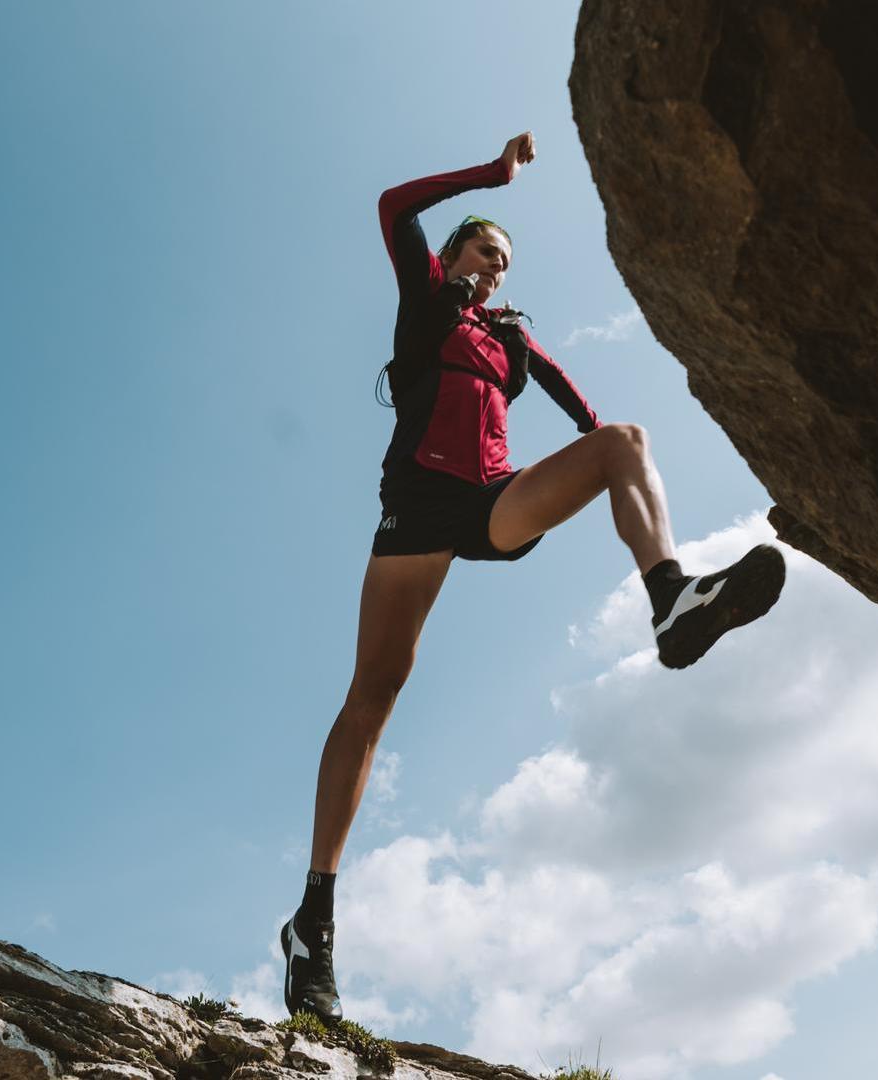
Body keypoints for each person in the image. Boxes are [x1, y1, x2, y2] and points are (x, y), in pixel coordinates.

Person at [279, 132, 785, 1022]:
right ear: (454, 254)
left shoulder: (508, 341)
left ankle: (670, 599)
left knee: (624, 439)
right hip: (417, 510)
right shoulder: (425, 298)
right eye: (484, 250)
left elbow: (579, 409)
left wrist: (599, 457)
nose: (495, 269)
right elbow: (394, 204)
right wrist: (490, 176)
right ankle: (313, 920)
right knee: (374, 694)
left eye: (506, 263)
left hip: (490, 505)